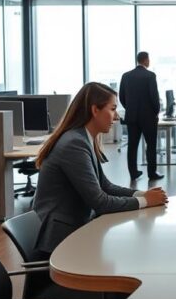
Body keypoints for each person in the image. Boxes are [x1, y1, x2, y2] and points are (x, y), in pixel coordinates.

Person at [32, 82, 167, 258]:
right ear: (95, 110)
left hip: (75, 232)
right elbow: (100, 202)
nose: (116, 116)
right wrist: (146, 202)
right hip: (60, 244)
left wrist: (142, 195)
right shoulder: (74, 143)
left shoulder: (84, 138)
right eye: (112, 109)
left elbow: (105, 185)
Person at [119, 51, 162, 180]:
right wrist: (156, 112)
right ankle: (152, 173)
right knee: (151, 145)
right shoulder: (150, 76)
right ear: (146, 60)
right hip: (148, 117)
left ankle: (133, 173)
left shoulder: (126, 76)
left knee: (132, 146)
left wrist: (130, 108)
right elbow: (154, 97)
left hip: (131, 116)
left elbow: (121, 96)